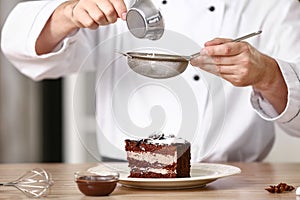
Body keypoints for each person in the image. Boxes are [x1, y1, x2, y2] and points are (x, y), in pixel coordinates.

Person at [1, 0, 300, 162]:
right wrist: (68, 12)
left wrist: (268, 74)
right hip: (124, 183)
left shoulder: (273, 6)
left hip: (233, 185)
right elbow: (17, 47)